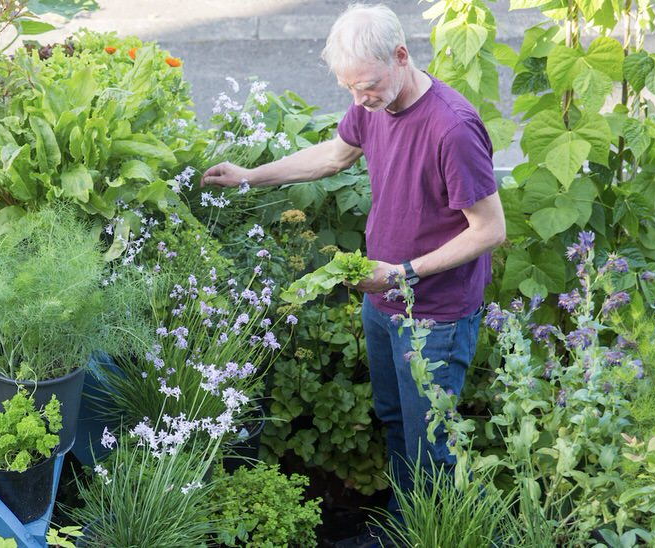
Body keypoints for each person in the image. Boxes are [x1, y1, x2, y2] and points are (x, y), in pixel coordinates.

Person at [202, 1, 506, 540]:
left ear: (401, 56)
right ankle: (405, 520)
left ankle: (429, 532)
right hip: (382, 299)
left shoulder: (452, 127)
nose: (359, 100)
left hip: (432, 313)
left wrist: (402, 273)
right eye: (349, 89)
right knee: (394, 419)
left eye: (366, 86)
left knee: (429, 441)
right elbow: (334, 157)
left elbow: (489, 230)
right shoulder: (372, 104)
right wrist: (251, 175)